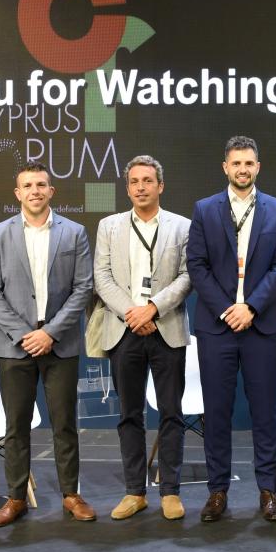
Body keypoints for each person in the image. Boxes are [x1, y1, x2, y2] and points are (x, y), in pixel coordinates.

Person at [0, 162, 95, 527]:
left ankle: (71, 495)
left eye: (41, 185)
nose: (35, 191)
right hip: (15, 346)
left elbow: (83, 288)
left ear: (51, 191)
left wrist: (51, 332)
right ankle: (16, 498)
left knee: (65, 424)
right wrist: (23, 334)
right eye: (28, 185)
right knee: (16, 426)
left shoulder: (74, 232)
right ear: (18, 193)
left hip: (60, 344)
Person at [187, 135, 276, 523]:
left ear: (258, 167)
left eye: (249, 163)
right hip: (217, 328)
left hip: (260, 326)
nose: (243, 169)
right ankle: (217, 491)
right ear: (225, 167)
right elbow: (196, 265)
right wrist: (227, 310)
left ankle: (269, 491)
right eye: (236, 163)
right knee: (216, 414)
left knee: (265, 413)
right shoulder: (205, 210)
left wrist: (250, 307)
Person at [92, 155, 192, 522]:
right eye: (134, 181)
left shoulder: (183, 226)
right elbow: (102, 277)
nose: (140, 187)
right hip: (124, 330)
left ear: (160, 186)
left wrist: (152, 309)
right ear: (128, 188)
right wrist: (132, 313)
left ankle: (170, 492)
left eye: (147, 181)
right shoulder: (109, 226)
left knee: (171, 413)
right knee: (129, 415)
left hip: (166, 327)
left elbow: (187, 276)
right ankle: (135, 492)